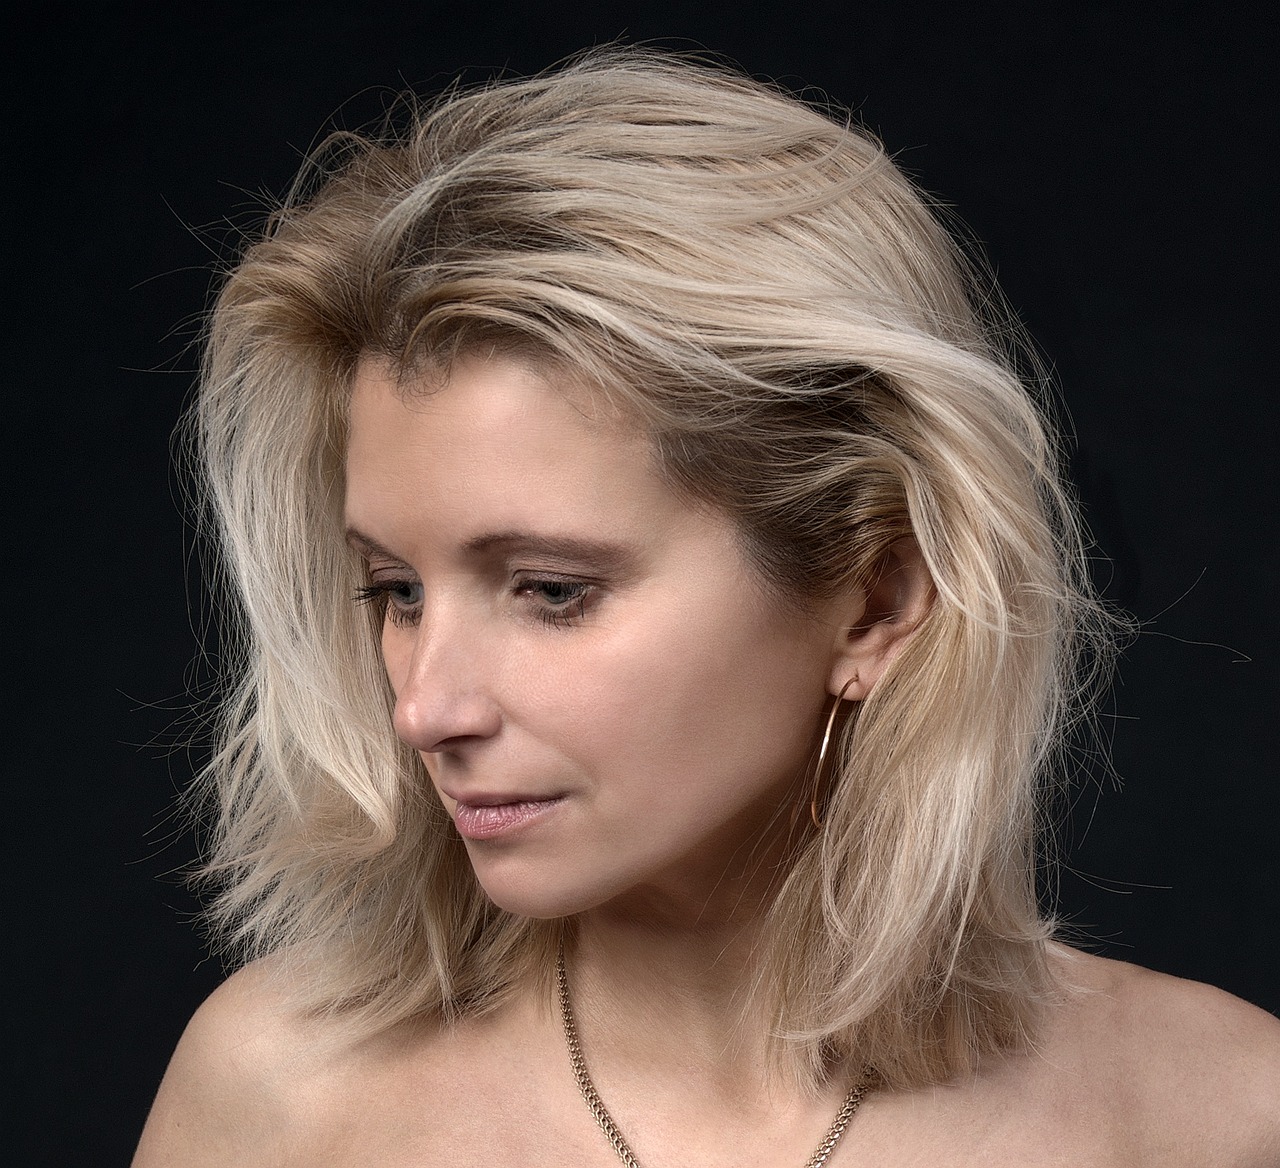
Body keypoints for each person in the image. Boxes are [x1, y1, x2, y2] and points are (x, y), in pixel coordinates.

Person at [132, 48, 1280, 1167]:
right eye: (396, 592)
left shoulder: (1219, 1116)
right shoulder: (279, 1103)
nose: (424, 709)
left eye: (550, 591)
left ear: (875, 600)